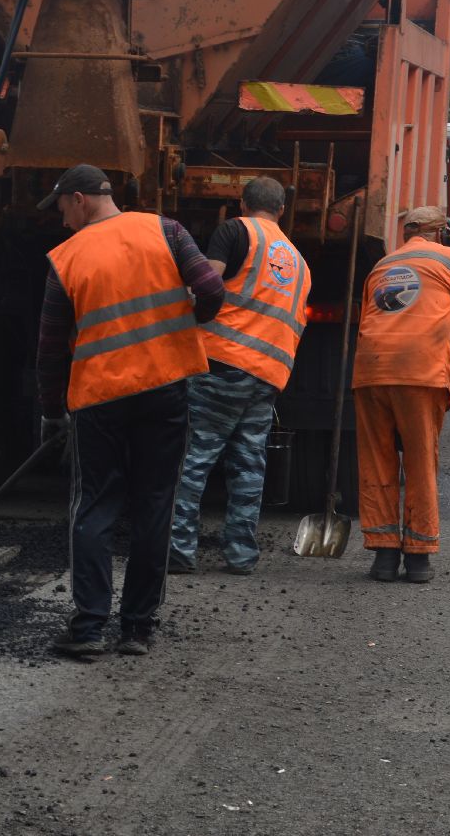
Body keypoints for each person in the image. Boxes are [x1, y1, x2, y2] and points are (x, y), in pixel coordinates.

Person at [35, 164, 225, 658]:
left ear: (79, 199)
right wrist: (190, 322)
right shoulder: (167, 231)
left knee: (94, 507)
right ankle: (138, 628)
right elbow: (211, 290)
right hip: (165, 389)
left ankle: (89, 628)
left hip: (100, 400)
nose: (62, 222)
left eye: (62, 209)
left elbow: (52, 347)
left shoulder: (66, 258)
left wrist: (52, 412)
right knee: (154, 505)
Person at [352, 206, 450, 583]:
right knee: (420, 463)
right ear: (442, 233)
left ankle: (384, 557)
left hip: (370, 369)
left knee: (377, 460)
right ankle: (418, 558)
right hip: (418, 370)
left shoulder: (383, 265)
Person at [169, 177, 309, 576]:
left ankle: (178, 550)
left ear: (242, 203)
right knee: (249, 464)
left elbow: (208, 285)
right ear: (282, 210)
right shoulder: (298, 261)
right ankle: (241, 555)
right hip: (268, 374)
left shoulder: (235, 230)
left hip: (223, 362)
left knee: (193, 457)